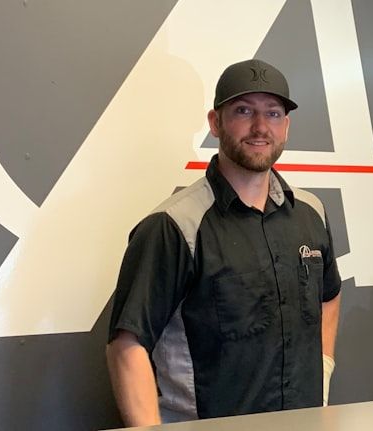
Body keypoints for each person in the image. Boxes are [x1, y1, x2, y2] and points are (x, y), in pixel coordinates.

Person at [106, 59, 341, 425]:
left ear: (287, 126)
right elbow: (127, 345)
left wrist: (322, 369)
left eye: (274, 114)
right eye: (243, 111)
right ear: (215, 123)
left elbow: (329, 295)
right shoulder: (173, 226)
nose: (261, 127)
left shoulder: (311, 213)